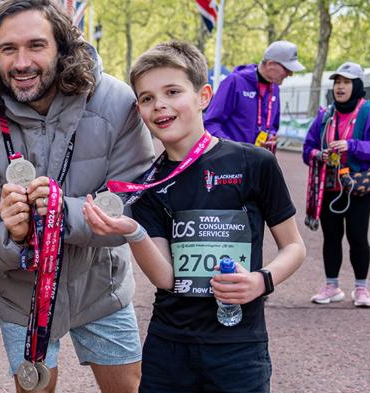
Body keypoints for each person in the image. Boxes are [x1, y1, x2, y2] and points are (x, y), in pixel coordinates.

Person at [83, 41, 306, 392]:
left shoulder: (255, 163)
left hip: (238, 345)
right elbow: (167, 278)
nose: (160, 105)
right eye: (146, 98)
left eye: (172, 91)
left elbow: (294, 246)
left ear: (204, 96)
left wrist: (262, 281)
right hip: (169, 346)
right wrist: (133, 232)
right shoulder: (148, 184)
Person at [0, 1, 154, 392]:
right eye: (8, 49)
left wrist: (65, 213)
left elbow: (137, 207)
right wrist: (12, 236)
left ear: (62, 48)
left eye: (36, 45)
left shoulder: (117, 104)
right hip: (21, 297)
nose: (21, 62)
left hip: (101, 288)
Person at [302, 62, 370, 307]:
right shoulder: (325, 114)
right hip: (329, 186)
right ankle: (332, 286)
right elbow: (307, 149)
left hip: (358, 186)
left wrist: (351, 145)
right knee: (331, 237)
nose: (340, 87)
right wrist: (317, 155)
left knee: (358, 237)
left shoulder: (368, 111)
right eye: (337, 82)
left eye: (346, 82)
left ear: (357, 86)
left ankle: (361, 289)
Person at [204, 40, 305, 149]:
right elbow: (211, 123)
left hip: (258, 160)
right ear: (270, 64)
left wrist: (270, 136)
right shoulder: (235, 81)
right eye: (287, 69)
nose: (290, 74)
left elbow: (273, 126)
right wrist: (233, 149)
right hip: (232, 159)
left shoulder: (275, 88)